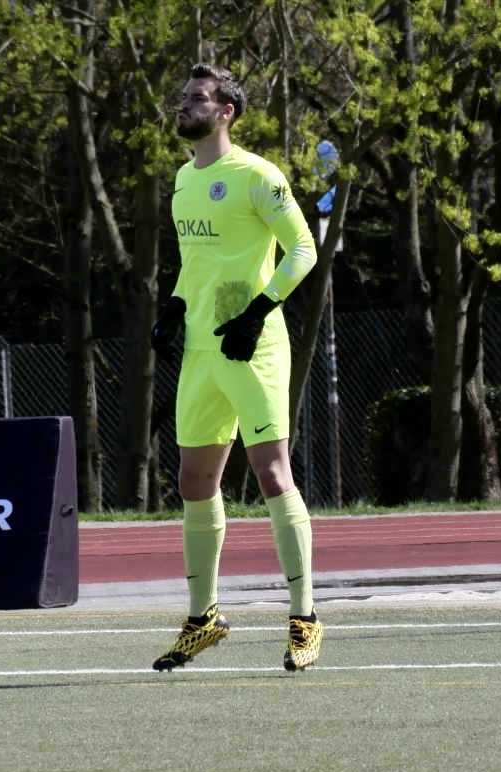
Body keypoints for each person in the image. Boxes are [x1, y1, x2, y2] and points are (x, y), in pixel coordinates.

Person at [150, 64, 321, 673]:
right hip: (201, 352)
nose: (184, 105)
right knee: (194, 482)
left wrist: (258, 311)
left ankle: (305, 619)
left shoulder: (257, 175)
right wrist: (175, 307)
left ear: (226, 112)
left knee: (272, 474)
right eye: (183, 96)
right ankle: (204, 621)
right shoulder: (182, 179)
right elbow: (195, 261)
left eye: (197, 98)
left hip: (253, 348)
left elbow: (303, 249)